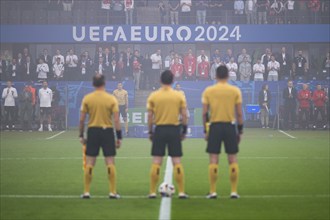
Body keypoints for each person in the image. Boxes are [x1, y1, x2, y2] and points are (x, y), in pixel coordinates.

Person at [202, 65, 243, 199]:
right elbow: (239, 113)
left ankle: (213, 191)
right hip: (230, 127)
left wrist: (206, 130)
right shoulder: (234, 90)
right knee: (232, 158)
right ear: (228, 76)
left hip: (214, 127)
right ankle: (234, 191)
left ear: (216, 76)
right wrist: (240, 130)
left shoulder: (209, 91)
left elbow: (204, 114)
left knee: (214, 159)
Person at [147, 70, 188, 199]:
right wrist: (184, 130)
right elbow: (184, 115)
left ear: (160, 80)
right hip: (174, 130)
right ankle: (181, 192)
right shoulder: (179, 95)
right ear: (172, 81)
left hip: (160, 129)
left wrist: (150, 131)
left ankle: (152, 192)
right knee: (177, 161)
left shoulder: (154, 96)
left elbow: (149, 116)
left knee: (157, 161)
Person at [79, 74, 122, 199]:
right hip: (107, 131)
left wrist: (81, 135)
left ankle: (86, 192)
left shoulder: (87, 98)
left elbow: (82, 120)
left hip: (92, 131)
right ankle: (112, 192)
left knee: (90, 162)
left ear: (93, 84)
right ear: (104, 83)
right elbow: (116, 120)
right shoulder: (111, 99)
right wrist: (119, 137)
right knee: (109, 161)